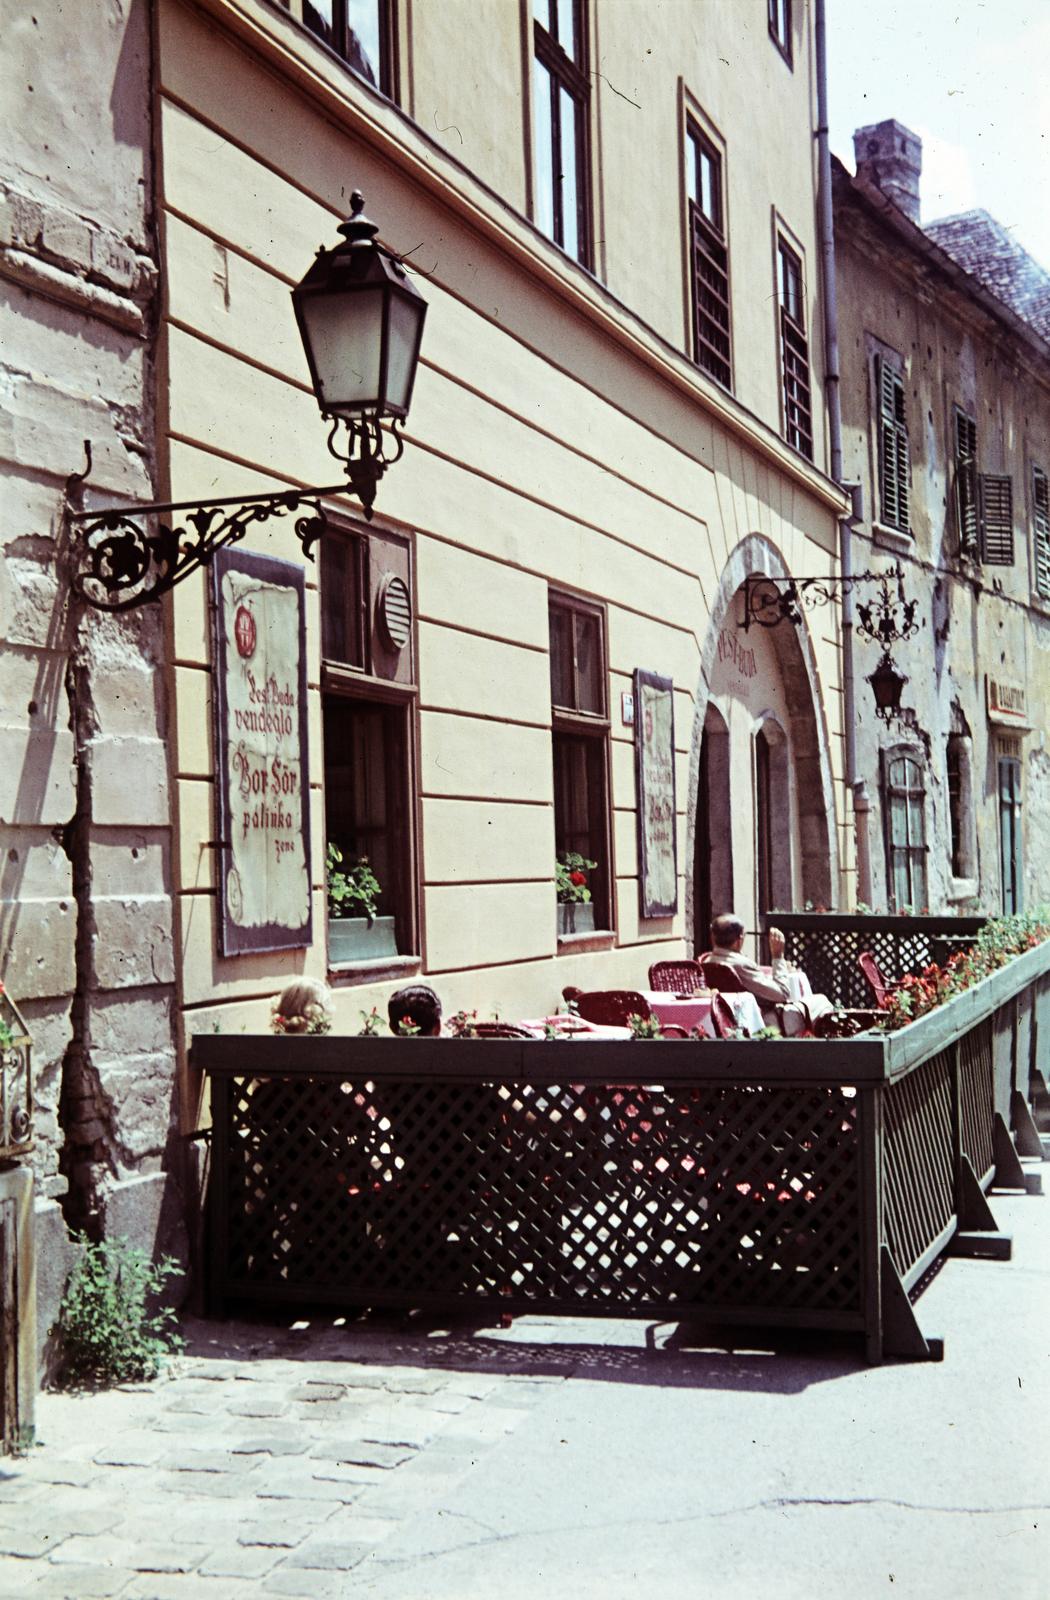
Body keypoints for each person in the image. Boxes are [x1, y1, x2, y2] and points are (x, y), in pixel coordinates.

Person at [705, 913, 832, 1036]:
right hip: (762, 1023)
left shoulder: (706, 961)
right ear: (739, 940)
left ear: (712, 937)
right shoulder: (741, 964)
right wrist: (778, 957)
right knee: (821, 1001)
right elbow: (782, 993)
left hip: (731, 1021)